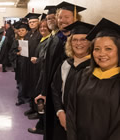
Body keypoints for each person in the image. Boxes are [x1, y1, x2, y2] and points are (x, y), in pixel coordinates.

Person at [34, 2, 86, 139]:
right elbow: (48, 69)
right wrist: (44, 91)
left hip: (69, 97)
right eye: (60, 17)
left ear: (76, 19)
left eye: (67, 17)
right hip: (54, 92)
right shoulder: (55, 39)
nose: (62, 20)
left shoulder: (79, 42)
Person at [66, 18, 120, 140]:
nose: (101, 54)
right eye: (97, 49)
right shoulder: (82, 75)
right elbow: (71, 111)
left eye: (108, 49)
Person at [51, 21, 94, 140]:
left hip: (86, 122)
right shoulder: (65, 64)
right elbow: (55, 89)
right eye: (74, 39)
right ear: (70, 42)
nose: (78, 43)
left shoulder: (95, 67)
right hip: (63, 118)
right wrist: (60, 112)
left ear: (90, 43)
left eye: (84, 39)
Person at [28, 19, 52, 135]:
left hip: (44, 73)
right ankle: (40, 119)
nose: (42, 29)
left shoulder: (50, 41)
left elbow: (46, 58)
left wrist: (38, 60)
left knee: (42, 98)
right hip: (38, 71)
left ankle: (42, 126)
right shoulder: (43, 39)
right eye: (41, 27)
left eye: (45, 27)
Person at [22, 13, 42, 118]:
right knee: (29, 85)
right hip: (28, 63)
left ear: (38, 22)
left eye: (34, 22)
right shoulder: (28, 34)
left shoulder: (40, 35)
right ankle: (31, 107)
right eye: (30, 22)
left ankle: (37, 111)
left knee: (36, 87)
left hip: (36, 64)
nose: (32, 23)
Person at [9, 20, 29, 106]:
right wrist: (17, 53)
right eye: (19, 30)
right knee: (20, 81)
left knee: (27, 81)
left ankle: (27, 97)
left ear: (26, 31)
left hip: (28, 64)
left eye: (23, 30)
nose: (21, 32)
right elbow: (11, 52)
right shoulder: (16, 41)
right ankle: (20, 98)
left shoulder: (30, 40)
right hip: (20, 64)